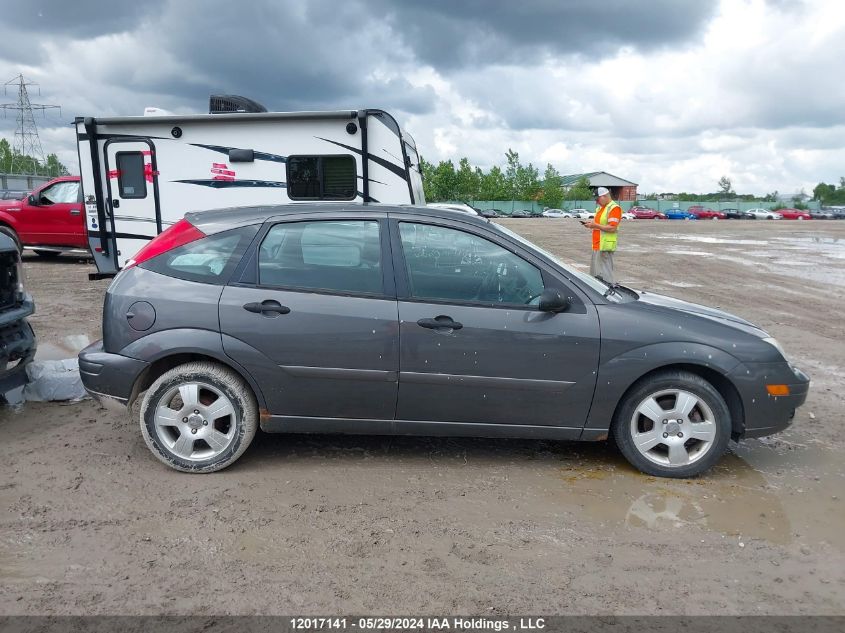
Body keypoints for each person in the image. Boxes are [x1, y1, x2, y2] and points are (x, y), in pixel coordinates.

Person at [582, 186, 622, 283]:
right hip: (597, 245)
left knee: (605, 276)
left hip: (605, 247)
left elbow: (612, 228)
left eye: (597, 199)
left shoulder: (614, 208)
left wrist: (595, 225)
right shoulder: (601, 208)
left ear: (604, 196)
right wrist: (591, 225)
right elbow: (600, 225)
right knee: (595, 275)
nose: (596, 202)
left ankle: (607, 295)